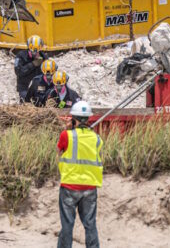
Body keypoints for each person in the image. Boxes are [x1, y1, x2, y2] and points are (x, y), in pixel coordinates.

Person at [57, 101, 102, 248]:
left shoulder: (66, 135)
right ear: (88, 119)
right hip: (90, 187)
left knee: (67, 225)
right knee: (90, 224)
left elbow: (59, 154)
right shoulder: (96, 139)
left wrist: (68, 128)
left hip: (69, 186)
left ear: (73, 119)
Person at [14, 35, 48, 101]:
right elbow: (18, 72)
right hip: (24, 86)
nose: (35, 53)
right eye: (33, 52)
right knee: (27, 101)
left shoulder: (43, 57)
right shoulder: (21, 56)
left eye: (37, 52)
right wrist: (33, 64)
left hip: (38, 86)